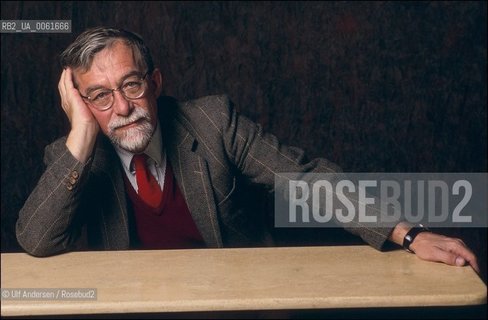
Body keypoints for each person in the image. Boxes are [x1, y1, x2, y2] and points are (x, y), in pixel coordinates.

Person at [17, 27, 479, 274]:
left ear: (154, 83)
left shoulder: (212, 122)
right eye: (99, 96)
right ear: (79, 104)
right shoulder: (73, 155)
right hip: (139, 307)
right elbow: (36, 240)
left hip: (237, 300)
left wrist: (409, 234)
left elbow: (305, 181)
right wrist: (80, 134)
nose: (122, 108)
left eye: (131, 85)